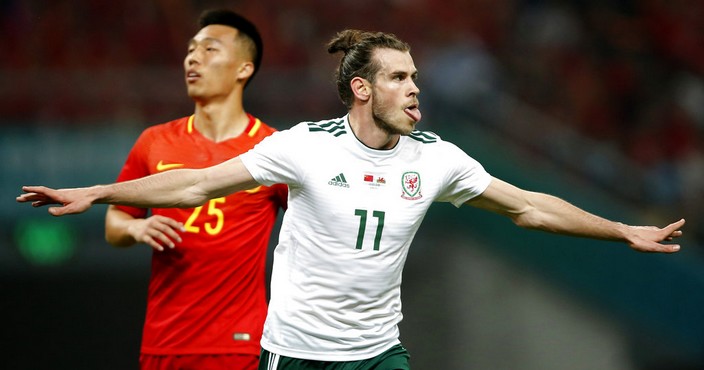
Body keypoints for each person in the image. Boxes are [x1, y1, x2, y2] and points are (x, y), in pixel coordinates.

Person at [18, 29, 684, 370]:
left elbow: (527, 206)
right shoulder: (307, 147)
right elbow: (193, 184)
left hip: (378, 355)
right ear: (363, 90)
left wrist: (621, 230)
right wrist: (102, 191)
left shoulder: (438, 159)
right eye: (399, 78)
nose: (415, 88)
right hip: (297, 354)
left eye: (415, 76)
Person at [103, 9, 286, 370]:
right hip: (164, 342)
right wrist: (136, 228)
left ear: (243, 69)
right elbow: (115, 221)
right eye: (191, 49)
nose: (193, 57)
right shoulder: (154, 142)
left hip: (240, 344)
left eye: (209, 49)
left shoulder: (272, 149)